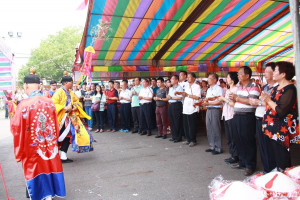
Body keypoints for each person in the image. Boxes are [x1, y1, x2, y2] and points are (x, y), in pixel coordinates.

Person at [11, 67, 66, 200]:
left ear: (26, 85)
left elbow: (16, 128)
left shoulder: (24, 105)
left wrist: (19, 151)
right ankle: (49, 194)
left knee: (35, 168)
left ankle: (39, 195)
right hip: (49, 143)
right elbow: (56, 124)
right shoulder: (50, 103)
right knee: (49, 165)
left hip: (32, 146)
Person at [261, 61, 299, 171]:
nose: (274, 72)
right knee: (272, 156)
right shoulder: (275, 88)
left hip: (280, 130)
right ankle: (275, 179)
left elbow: (281, 111)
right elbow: (270, 105)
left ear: (283, 74)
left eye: (276, 70)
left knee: (282, 158)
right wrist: (265, 100)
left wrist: (268, 100)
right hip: (270, 129)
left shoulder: (290, 89)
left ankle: (285, 182)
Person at [52, 72, 93, 163]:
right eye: (71, 82)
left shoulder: (70, 92)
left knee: (69, 136)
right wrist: (64, 108)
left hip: (71, 118)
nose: (73, 84)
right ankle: (54, 155)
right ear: (66, 83)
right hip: (62, 119)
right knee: (59, 136)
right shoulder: (59, 92)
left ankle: (63, 155)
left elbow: (77, 101)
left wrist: (75, 106)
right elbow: (53, 104)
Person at [229, 66, 260, 176]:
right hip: (237, 115)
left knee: (248, 140)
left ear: (247, 76)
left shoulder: (254, 87)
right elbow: (239, 100)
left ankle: (250, 165)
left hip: (247, 116)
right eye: (238, 74)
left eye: (240, 74)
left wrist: (237, 98)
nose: (238, 76)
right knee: (238, 139)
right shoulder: (239, 87)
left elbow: (252, 101)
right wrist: (234, 98)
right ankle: (242, 161)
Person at [249, 62, 277, 173]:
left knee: (268, 146)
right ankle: (267, 169)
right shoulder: (265, 86)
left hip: (268, 119)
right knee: (262, 146)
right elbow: (262, 101)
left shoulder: (277, 88)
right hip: (259, 117)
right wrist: (257, 102)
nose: (264, 73)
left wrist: (259, 102)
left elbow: (274, 105)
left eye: (266, 71)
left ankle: (271, 170)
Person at [218, 72, 239, 164]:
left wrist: (224, 99)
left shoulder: (235, 90)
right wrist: (222, 100)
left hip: (232, 115)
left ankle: (236, 156)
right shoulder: (228, 89)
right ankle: (232, 154)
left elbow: (234, 104)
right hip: (226, 114)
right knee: (229, 137)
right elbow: (226, 103)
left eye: (228, 77)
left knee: (233, 137)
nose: (226, 79)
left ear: (233, 80)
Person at [203, 73, 223, 154]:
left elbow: (219, 101)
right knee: (209, 127)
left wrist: (208, 103)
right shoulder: (209, 89)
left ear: (215, 80)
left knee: (216, 128)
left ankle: (218, 147)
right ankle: (212, 146)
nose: (208, 80)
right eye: (208, 78)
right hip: (209, 109)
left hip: (215, 110)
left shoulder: (219, 89)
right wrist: (205, 102)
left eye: (210, 78)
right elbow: (208, 99)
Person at [181, 73, 201, 147]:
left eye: (189, 77)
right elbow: (184, 96)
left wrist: (188, 95)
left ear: (194, 78)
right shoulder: (186, 86)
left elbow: (197, 97)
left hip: (193, 108)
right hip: (185, 107)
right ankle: (188, 139)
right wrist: (184, 96)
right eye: (188, 77)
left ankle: (193, 140)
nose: (188, 78)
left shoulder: (197, 86)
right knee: (186, 124)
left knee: (191, 125)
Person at [167, 75, 184, 143]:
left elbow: (180, 97)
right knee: (171, 121)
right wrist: (169, 97)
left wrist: (171, 97)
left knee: (177, 121)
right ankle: (174, 136)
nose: (171, 80)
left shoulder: (180, 88)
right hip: (171, 105)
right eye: (171, 79)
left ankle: (178, 137)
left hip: (177, 104)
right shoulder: (170, 88)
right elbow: (169, 96)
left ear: (177, 80)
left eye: (172, 79)